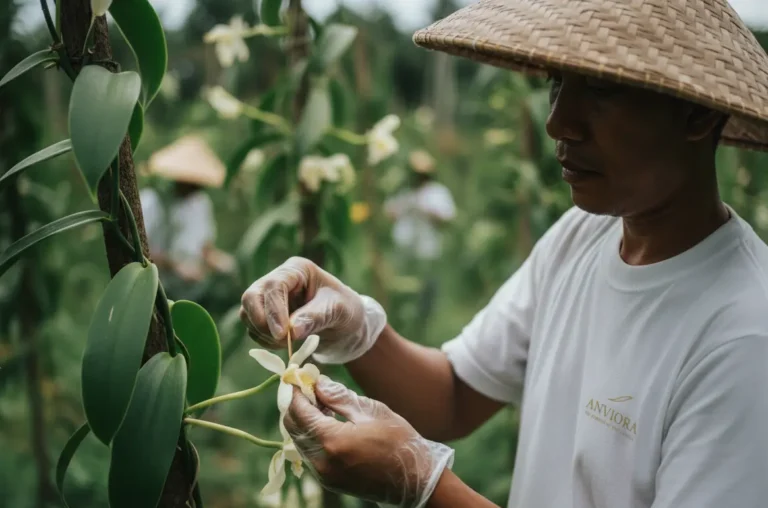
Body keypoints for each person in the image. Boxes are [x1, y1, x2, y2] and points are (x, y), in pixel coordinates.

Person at [240, 1, 768, 507]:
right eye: (557, 83)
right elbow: (453, 395)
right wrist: (357, 330)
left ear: (696, 114)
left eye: (603, 89)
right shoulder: (583, 236)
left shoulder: (743, 337)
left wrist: (425, 485)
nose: (558, 123)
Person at [140, 134, 235, 302]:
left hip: (194, 286)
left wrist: (219, 262)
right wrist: (176, 266)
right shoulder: (151, 202)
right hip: (159, 284)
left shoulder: (201, 204)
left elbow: (205, 248)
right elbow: (141, 250)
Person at [384, 150, 457, 336]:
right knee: (403, 290)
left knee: (426, 291)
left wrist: (426, 210)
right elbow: (390, 214)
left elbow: (447, 218)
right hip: (405, 250)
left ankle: (422, 328)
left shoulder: (437, 192)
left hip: (428, 250)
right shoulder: (404, 193)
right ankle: (402, 325)